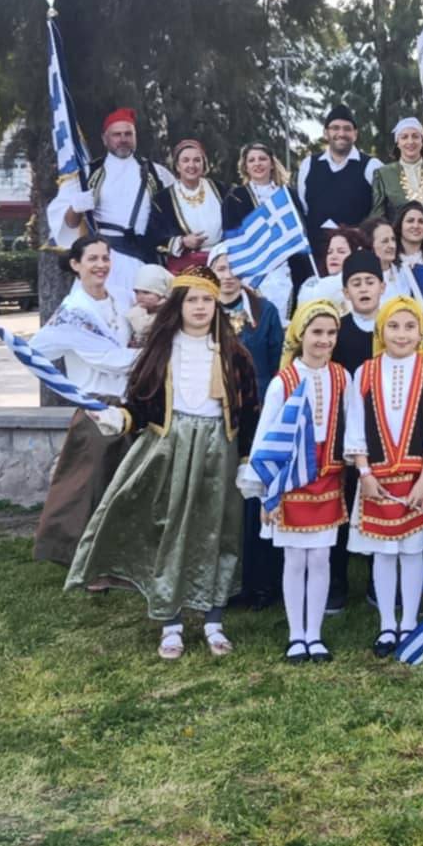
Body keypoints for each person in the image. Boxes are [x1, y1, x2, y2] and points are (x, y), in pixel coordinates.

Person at [67, 265, 257, 659]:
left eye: (207, 300)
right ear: (179, 305)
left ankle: (213, 620)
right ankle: (171, 622)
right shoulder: (160, 351)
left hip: (218, 450)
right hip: (170, 446)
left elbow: (248, 410)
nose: (200, 307)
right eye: (192, 300)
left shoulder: (235, 355)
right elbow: (139, 404)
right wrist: (119, 418)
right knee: (170, 531)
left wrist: (245, 458)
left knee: (218, 532)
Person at [343, 294, 423, 656]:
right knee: (384, 552)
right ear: (381, 331)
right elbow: (355, 425)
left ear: (421, 333)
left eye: (409, 327)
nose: (401, 334)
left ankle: (409, 622)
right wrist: (364, 472)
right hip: (376, 479)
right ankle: (387, 624)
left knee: (413, 551)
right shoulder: (365, 372)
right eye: (393, 326)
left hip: (417, 478)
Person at [247, 301, 347, 664]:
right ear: (300, 335)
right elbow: (265, 439)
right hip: (290, 480)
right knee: (294, 558)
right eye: (317, 332)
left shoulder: (342, 377)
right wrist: (264, 493)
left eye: (331, 333)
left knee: (320, 557)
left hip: (327, 477)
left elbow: (350, 424)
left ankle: (314, 634)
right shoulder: (284, 381)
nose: (324, 340)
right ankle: (296, 635)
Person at [29, 235, 137, 568]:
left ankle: (112, 554)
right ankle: (77, 555)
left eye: (105, 258)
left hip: (125, 404)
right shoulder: (73, 312)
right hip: (96, 406)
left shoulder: (121, 297)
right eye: (93, 259)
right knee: (86, 486)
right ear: (76, 265)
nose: (101, 265)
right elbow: (110, 359)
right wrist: (158, 355)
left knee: (116, 483)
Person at [46, 108, 178, 306]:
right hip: (105, 259)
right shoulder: (87, 175)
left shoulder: (158, 174)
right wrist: (76, 207)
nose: (123, 139)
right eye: (117, 134)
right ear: (105, 139)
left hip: (145, 258)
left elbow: (174, 213)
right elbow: (69, 225)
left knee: (144, 315)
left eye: (128, 134)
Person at [213, 252, 285, 612]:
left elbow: (277, 364)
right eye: (221, 268)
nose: (229, 275)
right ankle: (224, 581)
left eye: (236, 268)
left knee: (254, 496)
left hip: (257, 414)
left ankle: (263, 582)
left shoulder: (263, 310)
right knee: (221, 498)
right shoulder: (202, 309)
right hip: (215, 413)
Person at [222, 140, 303, 316]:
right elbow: (231, 236)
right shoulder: (236, 197)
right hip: (253, 267)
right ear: (245, 167)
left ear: (272, 164)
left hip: (286, 266)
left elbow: (301, 229)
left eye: (262, 159)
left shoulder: (288, 195)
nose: (257, 163)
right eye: (252, 160)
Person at [295, 103, 382, 259]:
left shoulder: (372, 166)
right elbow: (304, 209)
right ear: (326, 133)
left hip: (357, 255)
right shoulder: (308, 164)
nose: (341, 133)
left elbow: (380, 212)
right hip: (317, 254)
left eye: (347, 129)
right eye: (335, 128)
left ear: (355, 134)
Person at [160, 139, 226, 274]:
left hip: (221, 262)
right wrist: (183, 242)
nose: (191, 165)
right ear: (177, 166)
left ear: (204, 164)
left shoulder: (221, 190)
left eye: (197, 160)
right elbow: (154, 235)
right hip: (185, 266)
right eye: (185, 160)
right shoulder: (163, 199)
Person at [332, 248, 387, 374]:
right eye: (356, 284)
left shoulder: (394, 325)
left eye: (370, 282)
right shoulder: (337, 330)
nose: (363, 289)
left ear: (382, 287)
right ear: (346, 292)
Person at [294, 225, 364, 315]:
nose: (333, 257)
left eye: (341, 251)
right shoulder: (311, 284)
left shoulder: (363, 282)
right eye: (329, 252)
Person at [363, 216, 420, 304]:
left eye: (393, 239)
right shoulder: (363, 282)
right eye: (385, 241)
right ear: (370, 246)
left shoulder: (406, 272)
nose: (392, 245)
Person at [126, 263, 172, 347]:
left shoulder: (169, 313)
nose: (140, 297)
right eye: (137, 292)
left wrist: (163, 306)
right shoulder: (137, 309)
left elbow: (142, 327)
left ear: (161, 294)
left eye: (146, 292)